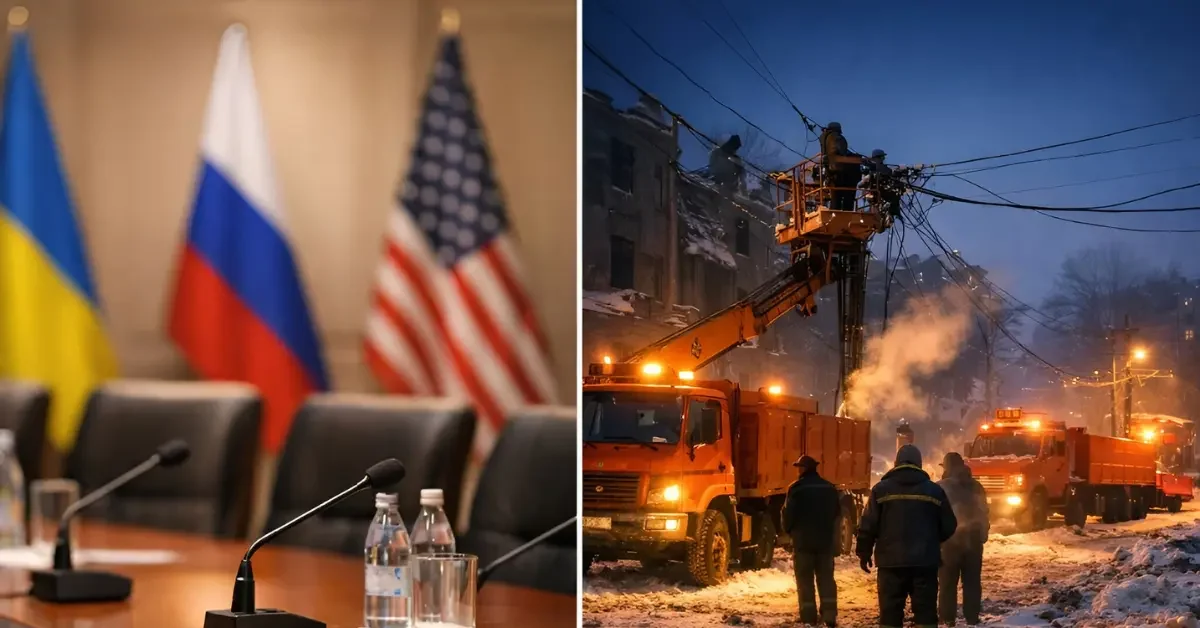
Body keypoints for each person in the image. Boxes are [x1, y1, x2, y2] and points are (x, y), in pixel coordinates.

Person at [856, 444, 957, 628]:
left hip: (890, 564)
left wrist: (864, 552)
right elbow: (949, 525)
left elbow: (868, 525)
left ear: (896, 463)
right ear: (919, 464)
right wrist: (932, 541)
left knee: (890, 614)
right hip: (925, 563)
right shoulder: (934, 491)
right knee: (926, 615)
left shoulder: (880, 490)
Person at [783, 455, 841, 627]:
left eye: (799, 467)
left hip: (803, 544)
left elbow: (788, 516)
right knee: (826, 579)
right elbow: (837, 514)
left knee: (805, 580)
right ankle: (829, 614)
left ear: (803, 469)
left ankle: (808, 616)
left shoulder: (795, 489)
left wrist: (789, 532)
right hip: (825, 543)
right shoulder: (829, 488)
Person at [938, 452, 990, 626]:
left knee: (947, 582)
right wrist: (983, 534)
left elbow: (935, 516)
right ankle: (972, 618)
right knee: (972, 582)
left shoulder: (941, 487)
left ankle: (948, 619)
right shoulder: (977, 486)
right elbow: (984, 512)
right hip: (973, 541)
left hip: (950, 542)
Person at [818, 122, 859, 211]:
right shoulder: (837, 137)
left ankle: (834, 212)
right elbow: (842, 151)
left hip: (830, 169)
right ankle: (847, 211)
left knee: (835, 195)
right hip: (840, 169)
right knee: (847, 193)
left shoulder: (824, 137)